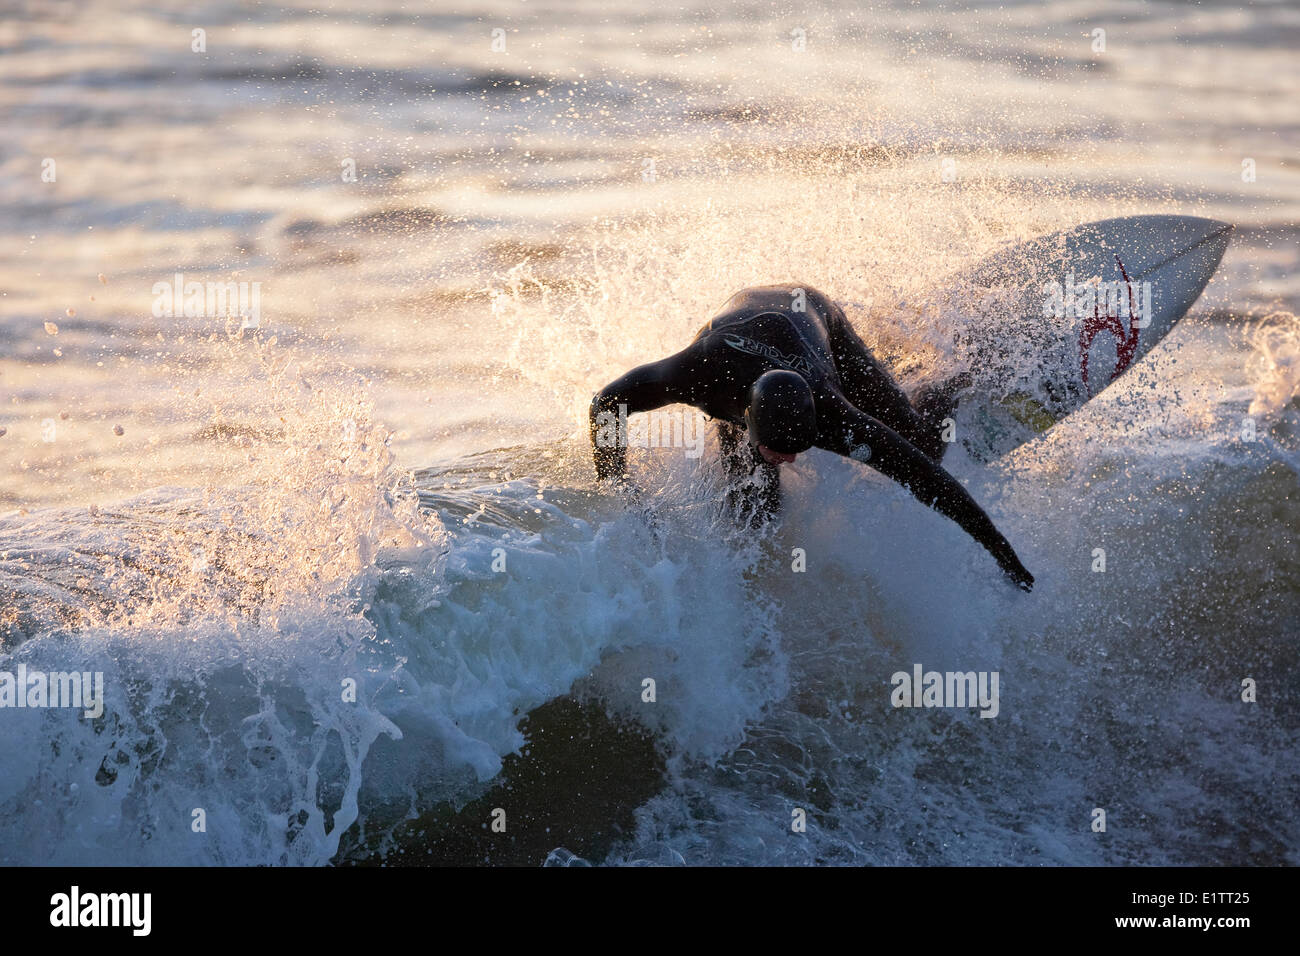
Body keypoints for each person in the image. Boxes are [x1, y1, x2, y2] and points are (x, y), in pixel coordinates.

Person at [588, 284, 1034, 591]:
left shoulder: (835, 415)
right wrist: (617, 482)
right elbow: (607, 403)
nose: (790, 461)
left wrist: (1006, 558)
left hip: (815, 315)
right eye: (777, 451)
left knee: (923, 445)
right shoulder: (694, 375)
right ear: (746, 419)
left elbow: (931, 483)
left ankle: (944, 381)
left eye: (797, 450)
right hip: (734, 337)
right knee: (753, 512)